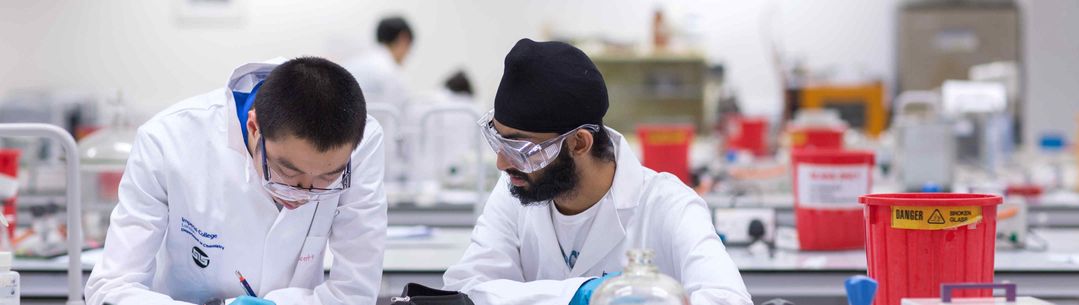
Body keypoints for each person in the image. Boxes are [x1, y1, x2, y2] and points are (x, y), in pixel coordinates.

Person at [442, 39, 753, 305]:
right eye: (499, 141)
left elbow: (729, 299)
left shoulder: (668, 205)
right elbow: (465, 290)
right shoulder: (515, 191)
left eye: (523, 149)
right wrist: (583, 294)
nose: (502, 163)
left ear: (579, 143)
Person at [84, 57, 387, 305]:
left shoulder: (361, 142)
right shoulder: (168, 140)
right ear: (254, 127)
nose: (302, 194)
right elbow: (110, 288)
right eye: (287, 172)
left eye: (327, 177)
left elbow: (354, 293)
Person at [343, 16, 414, 109]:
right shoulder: (391, 71)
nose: (408, 54)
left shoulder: (351, 63)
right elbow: (400, 114)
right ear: (403, 39)